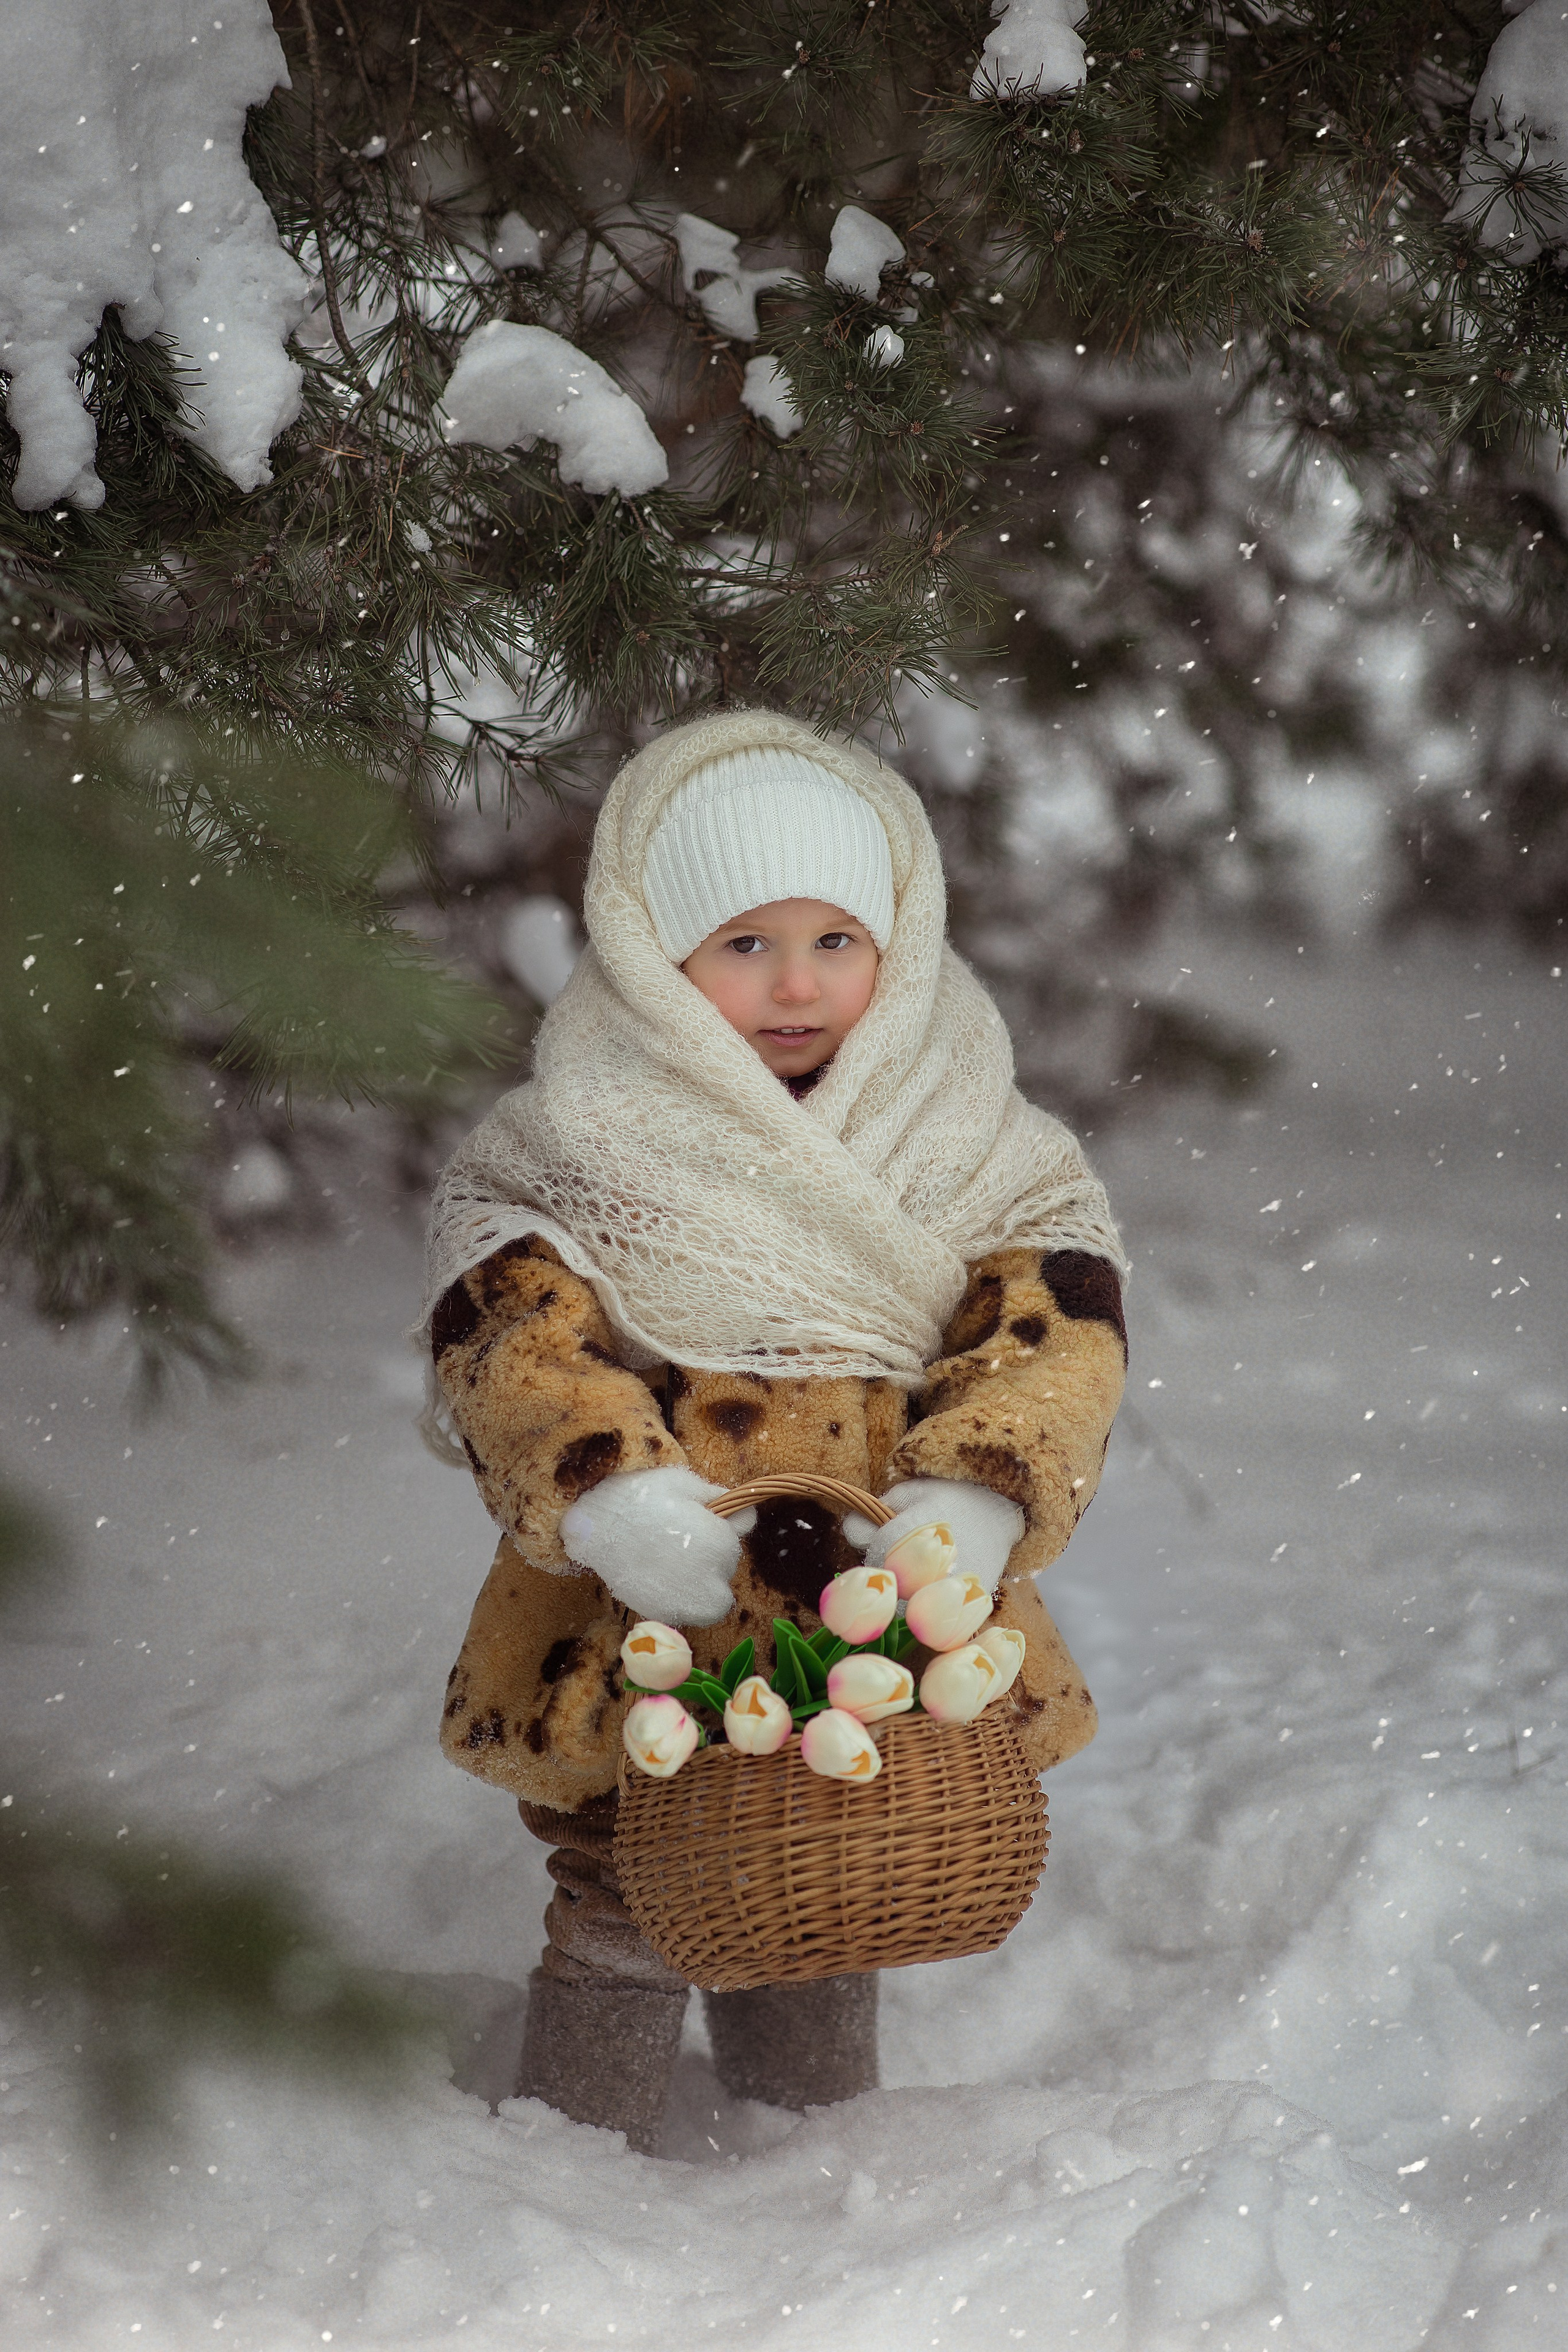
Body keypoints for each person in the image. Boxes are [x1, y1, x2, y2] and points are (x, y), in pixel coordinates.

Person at [421, 708, 1128, 2152]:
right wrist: (607, 1491)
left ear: (896, 946)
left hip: (879, 1574)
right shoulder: (583, 1132)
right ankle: (570, 2156)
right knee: (626, 1865)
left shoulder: (965, 1129)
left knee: (841, 1835)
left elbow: (1052, 1322)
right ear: (655, 956)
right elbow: (509, 1328)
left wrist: (981, 1487)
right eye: (743, 943)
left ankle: (806, 2146)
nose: (795, 984)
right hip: (655, 1587)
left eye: (834, 941)